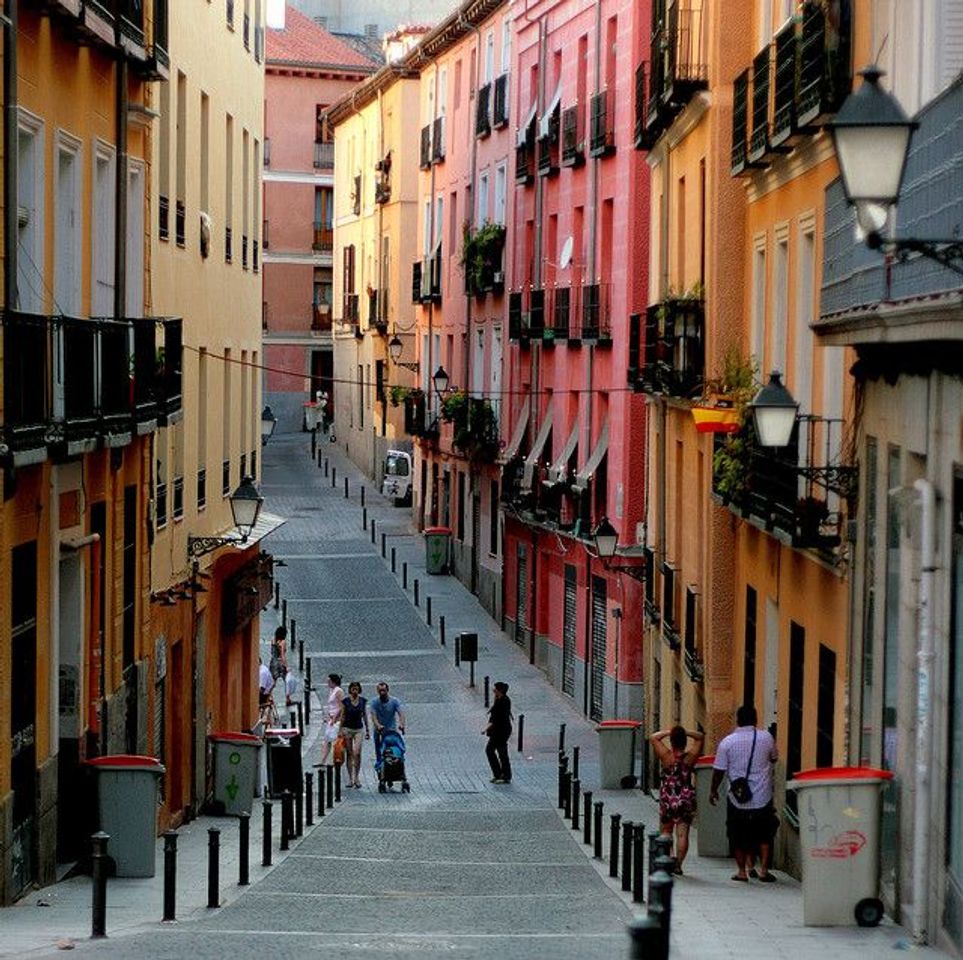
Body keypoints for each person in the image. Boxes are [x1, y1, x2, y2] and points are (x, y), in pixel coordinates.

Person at [710, 704, 779, 883]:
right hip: (762, 796)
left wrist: (713, 790)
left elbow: (719, 770)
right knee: (764, 834)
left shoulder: (727, 742)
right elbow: (774, 758)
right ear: (755, 719)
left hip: (737, 797)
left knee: (738, 834)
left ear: (738, 720)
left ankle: (742, 872)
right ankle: (764, 870)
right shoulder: (767, 737)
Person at [650, 725, 704, 874]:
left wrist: (670, 731)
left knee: (666, 830)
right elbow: (700, 737)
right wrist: (684, 732)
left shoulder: (666, 756)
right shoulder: (690, 758)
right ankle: (678, 864)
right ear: (685, 742)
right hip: (685, 797)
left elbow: (654, 737)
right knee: (683, 833)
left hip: (668, 796)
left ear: (672, 741)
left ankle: (669, 858)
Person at [339, 681, 370, 788]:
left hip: (358, 729)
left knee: (357, 752)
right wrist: (340, 729)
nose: (355, 691)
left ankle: (356, 777)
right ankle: (350, 778)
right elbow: (343, 715)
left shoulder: (362, 701)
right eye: (353, 689)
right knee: (349, 753)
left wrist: (367, 730)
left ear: (359, 690)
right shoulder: (346, 701)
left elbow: (365, 715)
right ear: (350, 690)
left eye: (356, 689)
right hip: (347, 728)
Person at [369, 681, 405, 770]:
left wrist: (402, 724)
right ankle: (379, 764)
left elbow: (401, 713)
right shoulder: (374, 702)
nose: (382, 692)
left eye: (384, 690)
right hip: (379, 730)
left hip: (391, 729)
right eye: (380, 691)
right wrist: (378, 725)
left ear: (387, 690)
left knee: (394, 745)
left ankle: (396, 762)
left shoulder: (395, 701)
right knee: (378, 747)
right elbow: (373, 716)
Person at [484, 681, 513, 784]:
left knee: (498, 752)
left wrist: (487, 728)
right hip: (499, 730)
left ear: (499, 690)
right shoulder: (499, 699)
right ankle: (499, 774)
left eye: (495, 689)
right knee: (495, 751)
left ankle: (504, 775)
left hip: (501, 731)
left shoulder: (504, 701)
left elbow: (498, 718)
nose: (493, 690)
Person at [318, 673, 345, 767]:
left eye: (329, 681)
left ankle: (335, 759)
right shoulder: (332, 690)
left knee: (334, 740)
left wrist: (335, 718)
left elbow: (341, 707)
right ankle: (323, 761)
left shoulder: (339, 691)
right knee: (327, 739)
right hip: (331, 718)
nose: (327, 682)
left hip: (336, 720)